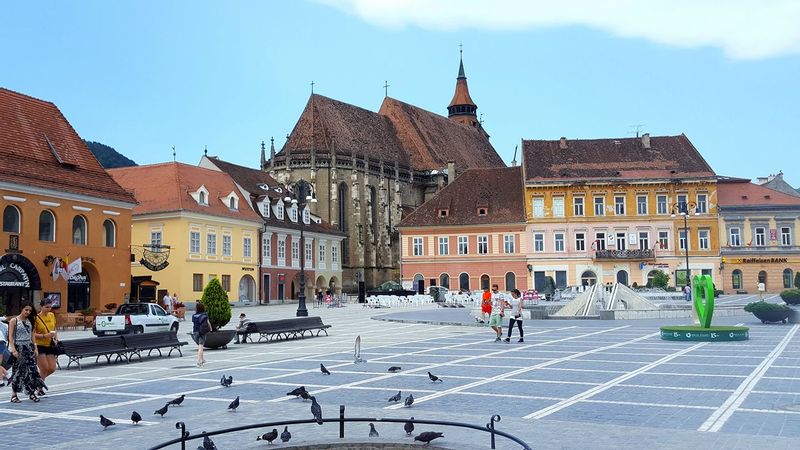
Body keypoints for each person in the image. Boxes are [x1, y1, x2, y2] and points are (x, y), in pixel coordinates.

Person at [8, 303, 45, 403]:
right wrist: (13, 349)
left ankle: (31, 393)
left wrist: (35, 347)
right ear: (22, 309)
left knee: (32, 370)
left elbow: (32, 335)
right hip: (18, 347)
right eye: (26, 310)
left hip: (28, 348)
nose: (28, 312)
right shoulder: (14, 320)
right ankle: (14, 395)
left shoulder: (30, 321)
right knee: (17, 371)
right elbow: (10, 336)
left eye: (29, 310)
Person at [33, 299, 58, 396]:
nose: (48, 309)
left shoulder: (51, 315)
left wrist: (56, 338)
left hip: (50, 344)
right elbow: (33, 334)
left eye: (50, 307)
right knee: (44, 368)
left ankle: (37, 381)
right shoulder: (36, 318)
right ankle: (40, 387)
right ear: (41, 307)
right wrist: (44, 336)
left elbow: (54, 328)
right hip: (40, 345)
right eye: (46, 307)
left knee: (52, 368)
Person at [191, 302, 212, 367]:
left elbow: (194, 323)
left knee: (200, 347)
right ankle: (199, 362)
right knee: (200, 347)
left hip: (195, 332)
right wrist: (210, 329)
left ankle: (202, 360)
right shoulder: (204, 315)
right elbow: (208, 323)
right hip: (202, 332)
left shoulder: (193, 316)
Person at [0, 315, 10, 386]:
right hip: (2, 343)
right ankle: (9, 376)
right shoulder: (5, 325)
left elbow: (5, 318)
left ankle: (1, 382)